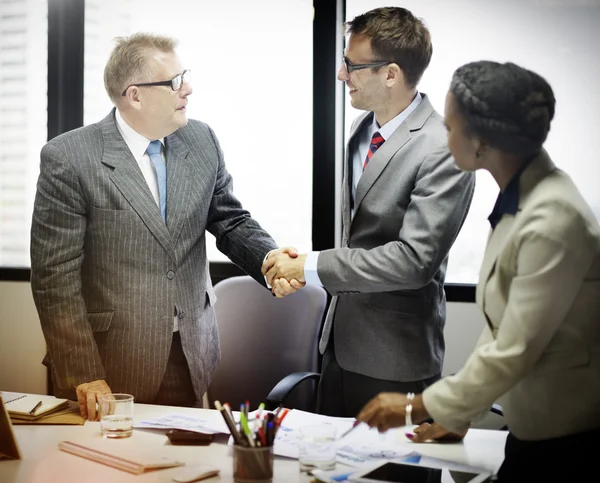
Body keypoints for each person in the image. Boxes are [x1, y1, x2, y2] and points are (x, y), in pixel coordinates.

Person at [30, 33, 295, 420]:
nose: (187, 88)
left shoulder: (201, 139)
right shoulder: (69, 158)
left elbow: (229, 219)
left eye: (183, 75)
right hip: (108, 364)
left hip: (190, 353)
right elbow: (55, 277)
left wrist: (270, 260)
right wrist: (84, 374)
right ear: (134, 95)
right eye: (174, 82)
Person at [356, 60, 600, 481]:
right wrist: (459, 412)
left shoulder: (552, 218)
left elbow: (513, 349)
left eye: (450, 127)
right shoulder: (520, 197)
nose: (443, 136)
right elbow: (501, 325)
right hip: (535, 431)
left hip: (566, 442)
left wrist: (416, 405)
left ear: (482, 141)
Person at [262, 7, 475, 417]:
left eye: (351, 65)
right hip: (337, 346)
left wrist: (310, 266)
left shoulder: (442, 148)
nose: (342, 75)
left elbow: (414, 262)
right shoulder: (364, 129)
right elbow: (360, 237)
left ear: (391, 73)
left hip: (394, 359)